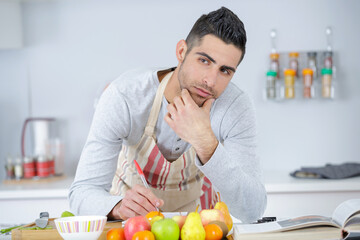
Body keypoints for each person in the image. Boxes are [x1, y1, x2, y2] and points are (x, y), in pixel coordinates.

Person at [69, 6, 267, 223]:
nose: (210, 81)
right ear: (182, 52)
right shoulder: (125, 97)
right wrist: (117, 206)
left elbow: (252, 210)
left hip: (199, 231)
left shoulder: (236, 108)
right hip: (134, 228)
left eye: (225, 70)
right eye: (204, 61)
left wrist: (206, 143)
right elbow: (82, 193)